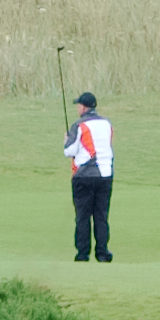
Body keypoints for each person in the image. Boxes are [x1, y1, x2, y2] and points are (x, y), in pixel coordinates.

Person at [64, 90, 114, 261]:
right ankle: (102, 252)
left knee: (83, 216)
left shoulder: (79, 125)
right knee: (101, 215)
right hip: (106, 174)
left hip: (84, 175)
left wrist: (66, 140)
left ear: (83, 107)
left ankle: (83, 253)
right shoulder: (107, 124)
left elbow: (69, 151)